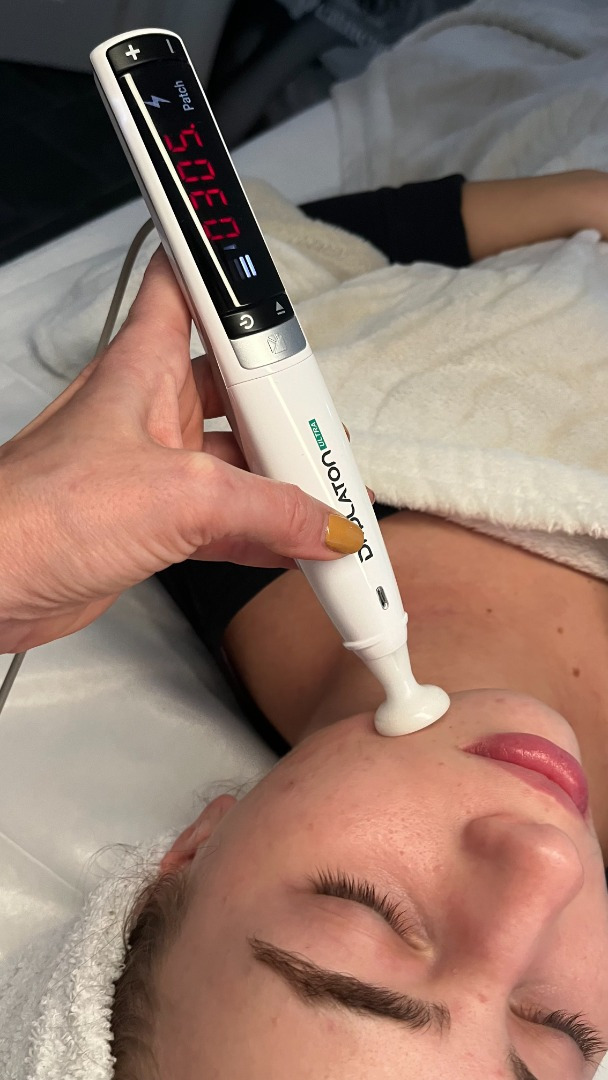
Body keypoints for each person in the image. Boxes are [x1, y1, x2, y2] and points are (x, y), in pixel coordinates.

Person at [2, 170, 608, 1078]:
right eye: (557, 1035)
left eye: (367, 911)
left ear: (193, 850)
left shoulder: (197, 483)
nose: (546, 863)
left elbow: (295, 259)